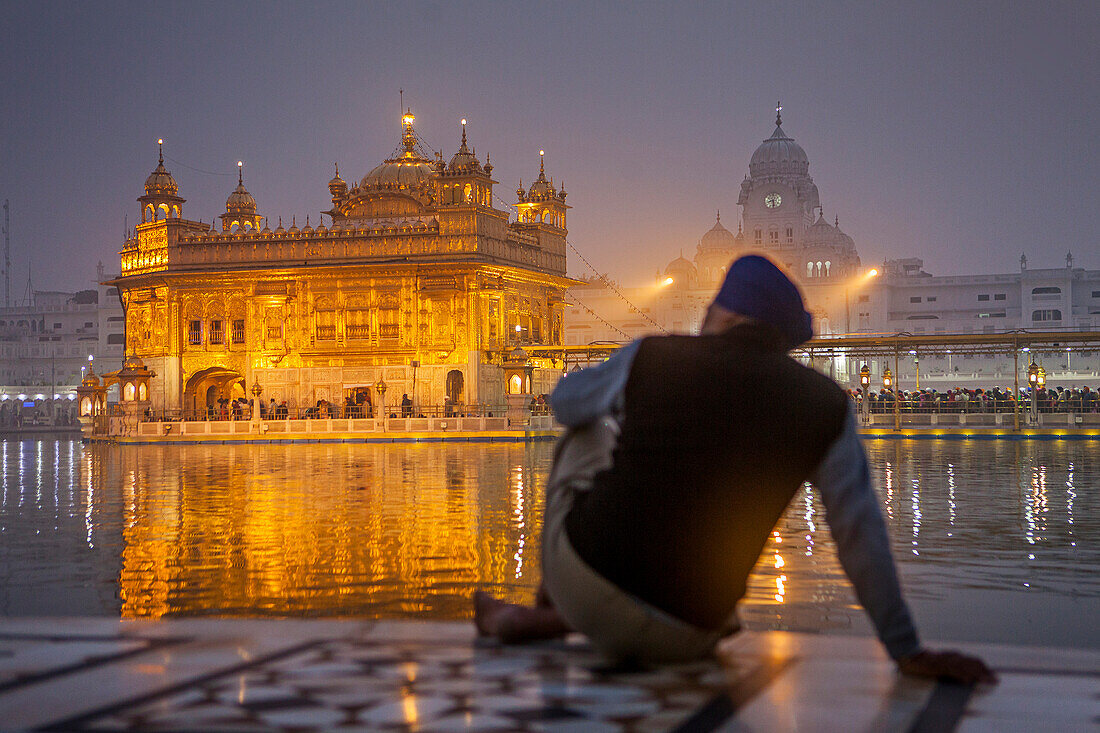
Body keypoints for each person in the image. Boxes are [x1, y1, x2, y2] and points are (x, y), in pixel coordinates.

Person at [475, 255, 995, 685]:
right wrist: (906, 649)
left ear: (722, 312)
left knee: (586, 430)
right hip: (693, 630)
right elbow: (860, 535)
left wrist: (626, 407)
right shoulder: (825, 404)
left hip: (587, 594)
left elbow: (566, 404)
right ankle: (572, 612)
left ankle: (551, 606)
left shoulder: (653, 356)